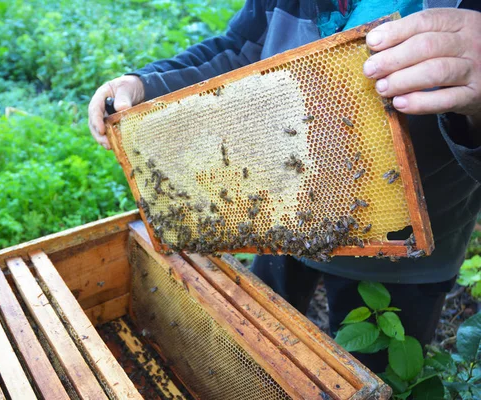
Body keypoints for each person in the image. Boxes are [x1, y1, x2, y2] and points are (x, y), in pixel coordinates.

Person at [88, 1, 481, 372]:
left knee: (373, 374)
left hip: (405, 251)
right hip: (281, 211)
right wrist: (144, 84)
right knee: (255, 348)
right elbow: (243, 46)